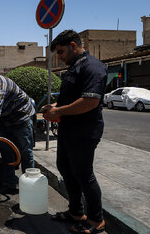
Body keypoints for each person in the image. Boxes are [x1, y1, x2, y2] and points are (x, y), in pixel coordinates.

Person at [42, 30, 107, 234]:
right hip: (69, 130)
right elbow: (72, 98)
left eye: (61, 52)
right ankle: (76, 212)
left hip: (84, 131)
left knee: (83, 175)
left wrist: (58, 111)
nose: (59, 57)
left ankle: (97, 220)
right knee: (66, 169)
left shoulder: (92, 67)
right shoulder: (74, 67)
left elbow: (90, 101)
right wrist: (54, 106)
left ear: (73, 45)